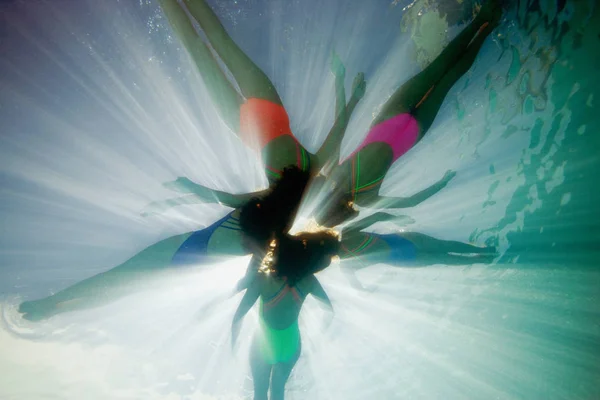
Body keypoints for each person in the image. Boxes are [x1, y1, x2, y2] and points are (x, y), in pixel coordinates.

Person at [18, 166, 312, 321]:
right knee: (116, 291)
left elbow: (221, 197)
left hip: (184, 247)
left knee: (115, 281)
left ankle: (48, 305)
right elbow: (258, 266)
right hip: (191, 266)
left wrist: (188, 187)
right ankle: (51, 308)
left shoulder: (258, 206)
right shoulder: (277, 231)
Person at [231, 187, 340, 400]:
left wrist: (232, 342)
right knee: (277, 390)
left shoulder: (264, 280)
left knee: (260, 393)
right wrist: (322, 334)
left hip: (263, 343)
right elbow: (330, 309)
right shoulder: (309, 282)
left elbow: (239, 315)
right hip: (291, 343)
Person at [336, 212, 497, 290]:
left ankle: (480, 258)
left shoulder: (345, 264)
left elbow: (358, 288)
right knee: (443, 248)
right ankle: (482, 253)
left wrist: (372, 287)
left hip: (403, 258)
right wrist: (398, 218)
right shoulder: (348, 234)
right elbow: (378, 215)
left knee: (442, 256)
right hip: (405, 243)